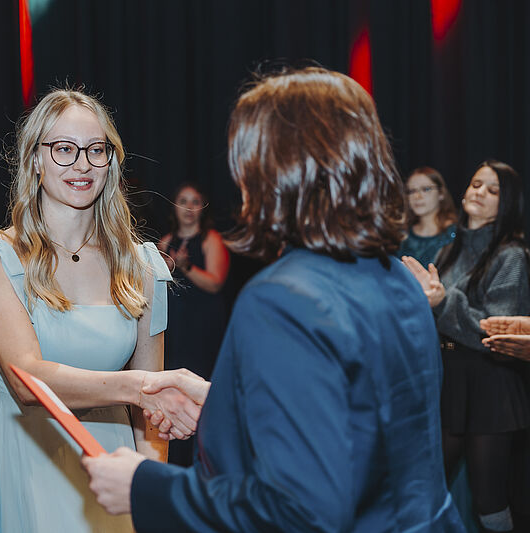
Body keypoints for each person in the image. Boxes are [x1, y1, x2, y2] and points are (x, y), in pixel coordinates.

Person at [82, 66, 464, 532]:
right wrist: (226, 402)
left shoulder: (283, 298)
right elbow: (362, 424)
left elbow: (300, 510)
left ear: (273, 170)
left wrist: (144, 486)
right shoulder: (397, 277)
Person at [0, 89, 200, 532]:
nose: (83, 164)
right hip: (25, 469)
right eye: (64, 149)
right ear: (36, 159)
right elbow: (28, 381)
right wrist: (138, 387)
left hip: (112, 477)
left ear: (111, 160)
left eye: (96, 149)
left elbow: (150, 418)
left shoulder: (142, 265)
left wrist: (150, 496)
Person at [403, 160, 530, 532]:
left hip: (491, 388)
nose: (480, 192)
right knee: (427, 489)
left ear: (507, 203)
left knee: (489, 502)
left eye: (493, 190)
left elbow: (496, 334)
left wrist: (443, 302)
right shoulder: (448, 251)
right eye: (476, 184)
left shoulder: (511, 255)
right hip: (451, 383)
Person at [157, 182, 229, 466]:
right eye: (183, 200)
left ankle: (206, 461)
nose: (188, 207)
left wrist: (185, 267)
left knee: (202, 385)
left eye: (195, 201)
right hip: (176, 326)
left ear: (202, 208)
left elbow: (215, 283)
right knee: (174, 387)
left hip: (204, 326)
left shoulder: (211, 239)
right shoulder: (165, 242)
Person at [398, 167, 457, 267]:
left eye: (425, 189)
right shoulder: (402, 234)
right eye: (412, 191)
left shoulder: (455, 234)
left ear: (441, 193)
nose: (417, 196)